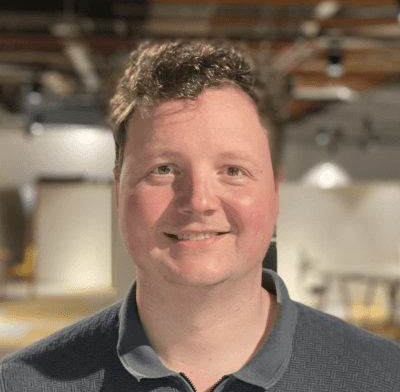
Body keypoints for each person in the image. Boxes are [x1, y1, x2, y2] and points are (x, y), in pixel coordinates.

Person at [1, 39, 399, 392]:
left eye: (233, 170)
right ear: (119, 192)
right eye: (163, 169)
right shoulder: (23, 384)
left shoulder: (384, 377)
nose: (199, 201)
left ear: (275, 193)